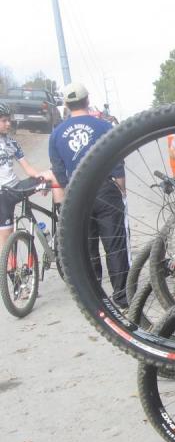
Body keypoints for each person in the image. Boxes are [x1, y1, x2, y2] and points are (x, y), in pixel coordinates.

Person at [49, 82, 130, 308]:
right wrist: (120, 186)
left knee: (87, 246)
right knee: (115, 244)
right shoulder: (103, 126)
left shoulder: (56, 135)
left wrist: (68, 189)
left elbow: (57, 168)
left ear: (66, 104)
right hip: (104, 188)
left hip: (77, 191)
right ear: (87, 100)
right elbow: (117, 158)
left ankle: (95, 298)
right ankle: (122, 295)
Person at [0, 102, 57, 253]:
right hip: (1, 195)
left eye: (9, 120)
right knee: (5, 247)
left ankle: (62, 215)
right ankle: (9, 273)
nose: (8, 123)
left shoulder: (12, 143)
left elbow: (28, 168)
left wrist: (41, 179)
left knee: (52, 174)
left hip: (16, 188)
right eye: (4, 120)